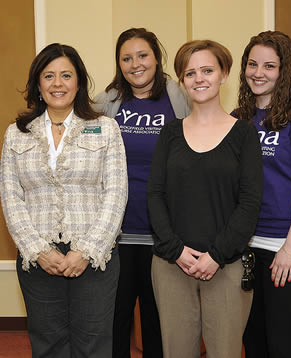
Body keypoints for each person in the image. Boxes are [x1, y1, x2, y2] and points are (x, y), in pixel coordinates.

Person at [0, 43, 128, 358]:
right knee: (48, 344)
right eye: (49, 76)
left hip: (94, 256)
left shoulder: (105, 129)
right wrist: (38, 250)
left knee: (93, 345)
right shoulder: (17, 134)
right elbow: (10, 197)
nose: (58, 84)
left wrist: (86, 251)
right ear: (37, 84)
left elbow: (116, 193)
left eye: (66, 75)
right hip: (38, 259)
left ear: (79, 82)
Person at [147, 39, 263, 358]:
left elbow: (250, 202)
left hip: (225, 264)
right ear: (182, 81)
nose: (199, 79)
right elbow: (155, 194)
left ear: (224, 74)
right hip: (172, 264)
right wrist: (175, 250)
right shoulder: (170, 133)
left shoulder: (244, 134)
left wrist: (217, 254)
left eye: (208, 70)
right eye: (190, 73)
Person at [93, 27, 190, 358]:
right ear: (119, 64)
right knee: (115, 320)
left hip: (164, 236)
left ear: (156, 56)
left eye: (142, 55)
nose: (135, 64)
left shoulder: (180, 98)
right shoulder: (107, 103)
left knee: (158, 322)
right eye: (126, 58)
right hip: (116, 236)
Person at [233, 30, 291, 358]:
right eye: (252, 64)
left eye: (269, 66)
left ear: (285, 71)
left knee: (284, 344)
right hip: (248, 246)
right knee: (253, 341)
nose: (258, 73)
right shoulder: (240, 119)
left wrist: (290, 249)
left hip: (288, 245)